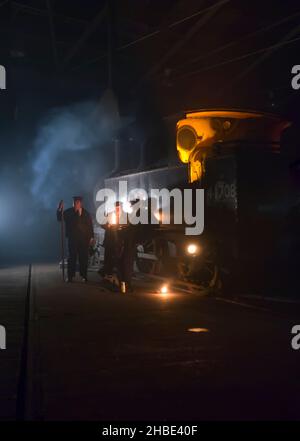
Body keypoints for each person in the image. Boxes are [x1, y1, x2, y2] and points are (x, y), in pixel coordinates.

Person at [57, 196, 94, 283]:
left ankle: (84, 276)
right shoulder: (68, 212)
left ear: (81, 203)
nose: (76, 204)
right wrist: (59, 209)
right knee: (71, 258)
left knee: (83, 258)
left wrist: (91, 237)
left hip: (83, 240)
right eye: (74, 203)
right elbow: (59, 218)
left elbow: (90, 227)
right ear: (73, 203)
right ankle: (70, 276)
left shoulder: (86, 213)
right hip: (72, 239)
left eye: (77, 203)